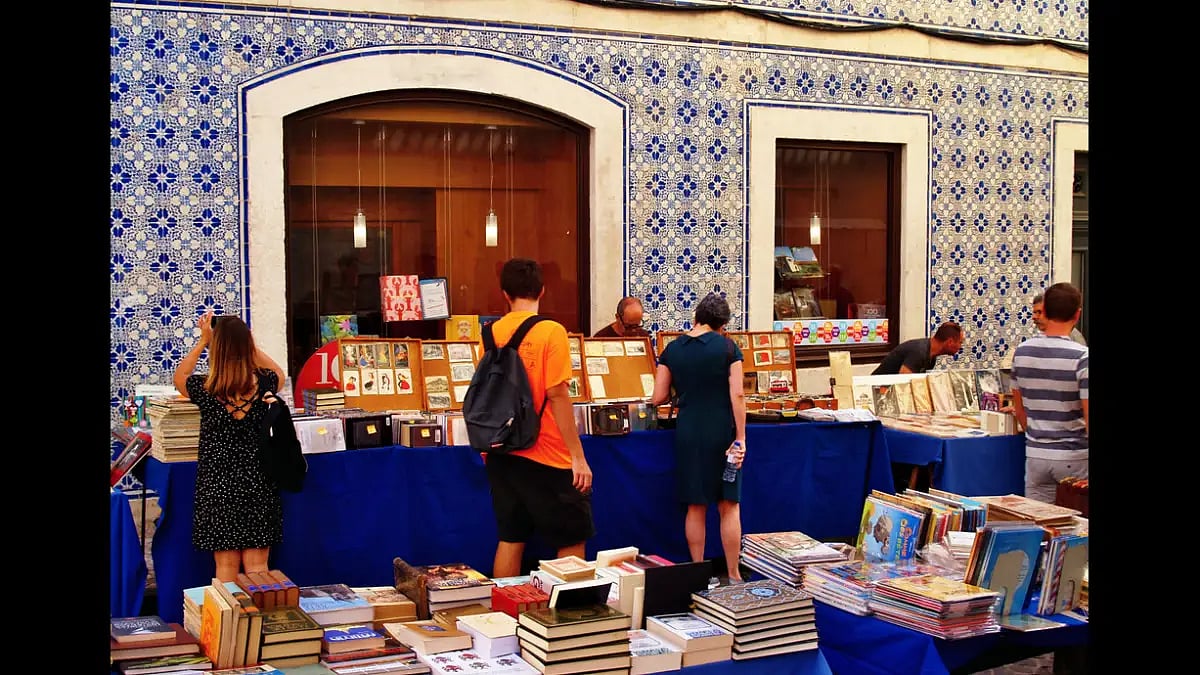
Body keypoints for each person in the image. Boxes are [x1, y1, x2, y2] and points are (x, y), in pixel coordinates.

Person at [484, 258, 595, 577]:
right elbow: (558, 393)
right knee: (572, 538)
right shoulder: (551, 331)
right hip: (548, 452)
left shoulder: (490, 333)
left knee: (510, 537)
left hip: (502, 451)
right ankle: (566, 620)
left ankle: (503, 618)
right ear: (542, 290)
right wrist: (577, 456)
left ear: (505, 293)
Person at [172, 310, 287, 583]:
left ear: (217, 348)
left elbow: (180, 377)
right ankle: (259, 622)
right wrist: (247, 342)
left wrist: (203, 341)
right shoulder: (265, 385)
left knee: (225, 568)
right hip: (258, 481)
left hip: (217, 484)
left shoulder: (205, 389)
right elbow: (279, 373)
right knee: (259, 567)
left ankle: (230, 624)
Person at [650, 293, 747, 583]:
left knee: (695, 504)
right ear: (722, 325)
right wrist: (740, 438)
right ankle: (733, 573)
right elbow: (738, 394)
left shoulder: (672, 349)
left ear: (697, 317)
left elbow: (658, 396)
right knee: (728, 504)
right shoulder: (729, 348)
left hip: (688, 430)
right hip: (721, 431)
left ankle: (697, 571)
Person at [1011, 282, 1088, 503]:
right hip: (1075, 456)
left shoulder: (1022, 352)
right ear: (1077, 314)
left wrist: (1037, 435)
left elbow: (1020, 409)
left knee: (1040, 525)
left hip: (1036, 455)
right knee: (1077, 529)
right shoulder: (1082, 358)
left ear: (1044, 311)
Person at [871, 321, 964, 375]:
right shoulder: (919, 352)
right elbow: (903, 382)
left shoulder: (931, 356)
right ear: (950, 342)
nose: (960, 347)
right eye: (960, 342)